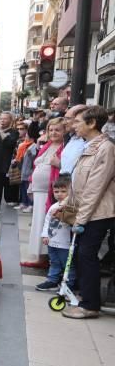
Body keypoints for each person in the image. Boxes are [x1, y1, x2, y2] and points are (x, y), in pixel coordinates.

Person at [62, 106, 115, 319]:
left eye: (78, 122)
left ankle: (90, 304)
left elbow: (95, 187)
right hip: (87, 212)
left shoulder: (105, 148)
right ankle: (85, 297)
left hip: (98, 213)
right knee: (82, 255)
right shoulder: (90, 146)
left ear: (92, 123)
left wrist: (81, 219)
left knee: (86, 255)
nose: (74, 125)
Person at [22, 120, 64, 267]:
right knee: (38, 222)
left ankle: (45, 257)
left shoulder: (64, 147)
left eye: (57, 130)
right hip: (39, 190)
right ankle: (39, 255)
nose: (53, 133)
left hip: (50, 191)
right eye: (51, 130)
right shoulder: (46, 146)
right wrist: (31, 185)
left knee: (44, 222)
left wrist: (58, 164)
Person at [37, 176, 75, 292]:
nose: (59, 194)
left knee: (67, 264)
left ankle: (69, 284)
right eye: (56, 191)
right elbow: (47, 221)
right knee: (54, 262)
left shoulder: (71, 207)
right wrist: (44, 235)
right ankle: (52, 280)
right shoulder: (53, 206)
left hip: (65, 243)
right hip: (52, 241)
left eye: (63, 191)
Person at [60, 104, 89, 175]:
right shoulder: (70, 138)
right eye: (64, 118)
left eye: (68, 118)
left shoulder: (89, 142)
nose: (64, 122)